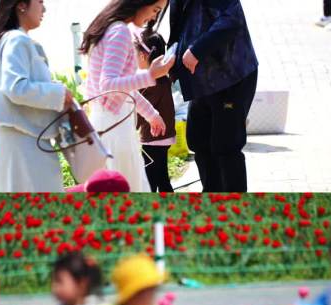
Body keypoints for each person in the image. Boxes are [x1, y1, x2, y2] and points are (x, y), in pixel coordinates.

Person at [80, 0, 174, 192]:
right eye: (155, 10)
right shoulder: (120, 31)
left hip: (106, 125)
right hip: (115, 129)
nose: (154, 17)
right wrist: (150, 75)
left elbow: (123, 88)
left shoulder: (109, 29)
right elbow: (108, 85)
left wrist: (151, 114)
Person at [168, 0, 258, 192]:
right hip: (201, 80)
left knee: (226, 145)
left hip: (230, 77)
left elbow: (231, 20)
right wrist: (172, 54)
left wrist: (197, 50)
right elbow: (178, 24)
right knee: (199, 140)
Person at [0, 0, 74, 192]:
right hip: (25, 142)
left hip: (23, 138)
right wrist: (60, 93)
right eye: (40, 2)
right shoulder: (16, 40)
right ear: (21, 5)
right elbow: (15, 87)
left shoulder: (9, 39)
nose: (44, 9)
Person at [134, 24, 176, 192]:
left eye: (135, 54)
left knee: (151, 179)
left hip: (154, 137)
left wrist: (131, 129)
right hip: (163, 136)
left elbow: (139, 108)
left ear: (144, 55)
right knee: (161, 176)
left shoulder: (149, 82)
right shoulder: (163, 78)